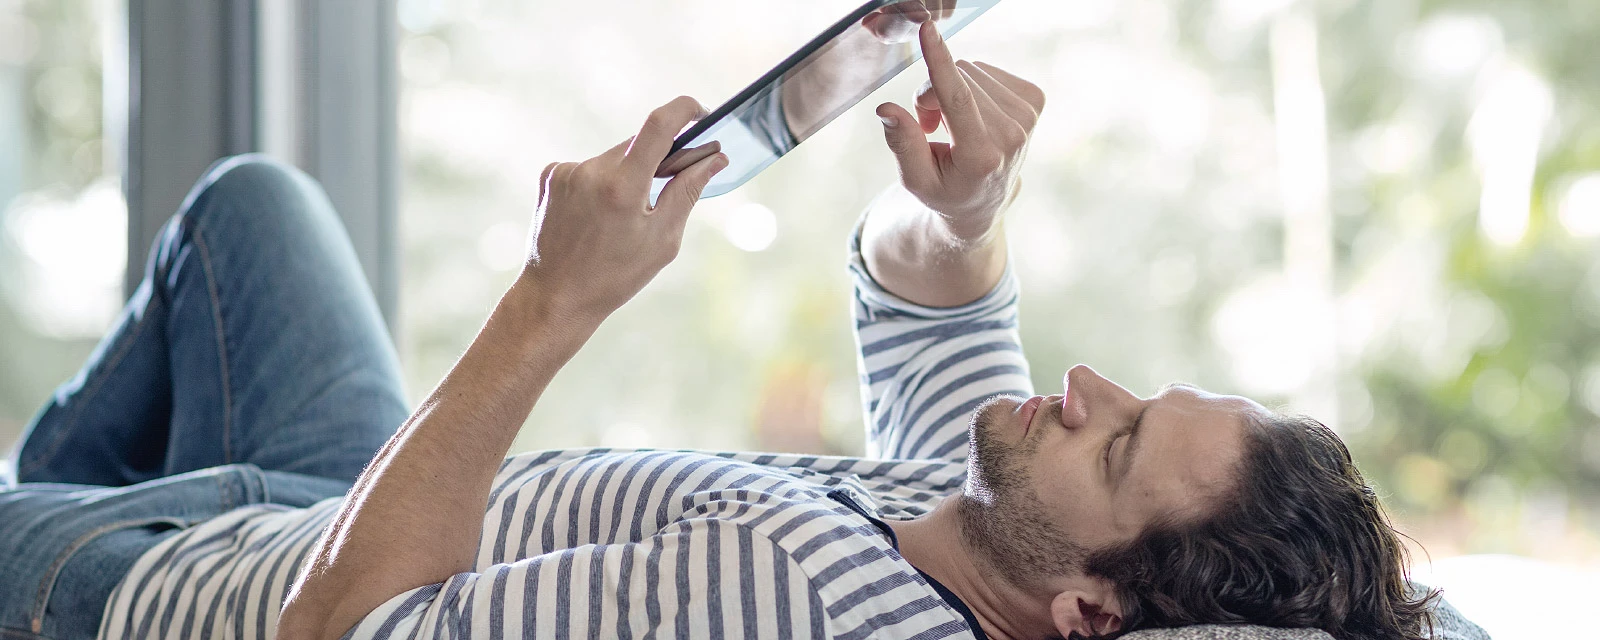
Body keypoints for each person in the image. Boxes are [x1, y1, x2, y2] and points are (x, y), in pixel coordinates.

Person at [1, 20, 1485, 640]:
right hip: (354, 493)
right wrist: (963, 213)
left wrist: (554, 298)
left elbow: (332, 632)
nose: (1083, 388)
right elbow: (933, 302)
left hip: (203, 590)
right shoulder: (991, 540)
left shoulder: (786, 601)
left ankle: (60, 522)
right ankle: (64, 482)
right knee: (251, 213)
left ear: (1092, 619)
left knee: (45, 527)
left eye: (1122, 440)